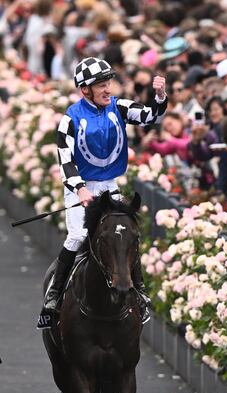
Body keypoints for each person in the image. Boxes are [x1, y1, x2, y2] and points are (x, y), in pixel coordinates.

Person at [38, 57, 167, 329]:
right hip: (80, 185)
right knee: (77, 236)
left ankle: (139, 293)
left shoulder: (118, 107)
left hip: (109, 185)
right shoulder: (70, 119)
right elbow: (65, 160)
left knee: (125, 234)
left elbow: (149, 116)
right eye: (101, 85)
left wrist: (159, 96)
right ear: (85, 90)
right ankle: (53, 297)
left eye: (109, 83)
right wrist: (81, 189)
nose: (108, 89)